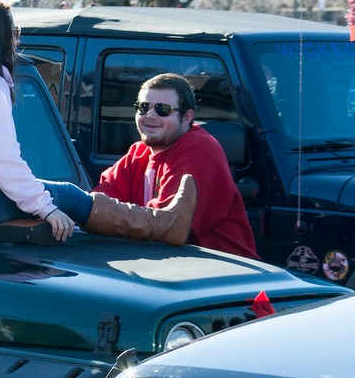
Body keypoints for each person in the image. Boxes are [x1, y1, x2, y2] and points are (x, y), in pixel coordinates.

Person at [0, 0, 196, 246]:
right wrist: (46, 208)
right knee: (67, 196)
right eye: (13, 31)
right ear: (0, 36)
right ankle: (164, 227)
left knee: (48, 195)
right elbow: (3, 160)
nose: (16, 39)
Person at [94, 73, 259, 258]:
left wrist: (90, 210)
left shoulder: (198, 147)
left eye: (162, 109)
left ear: (187, 117)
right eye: (143, 107)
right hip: (169, 266)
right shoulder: (138, 152)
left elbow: (166, 225)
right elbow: (101, 197)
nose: (150, 115)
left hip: (224, 277)